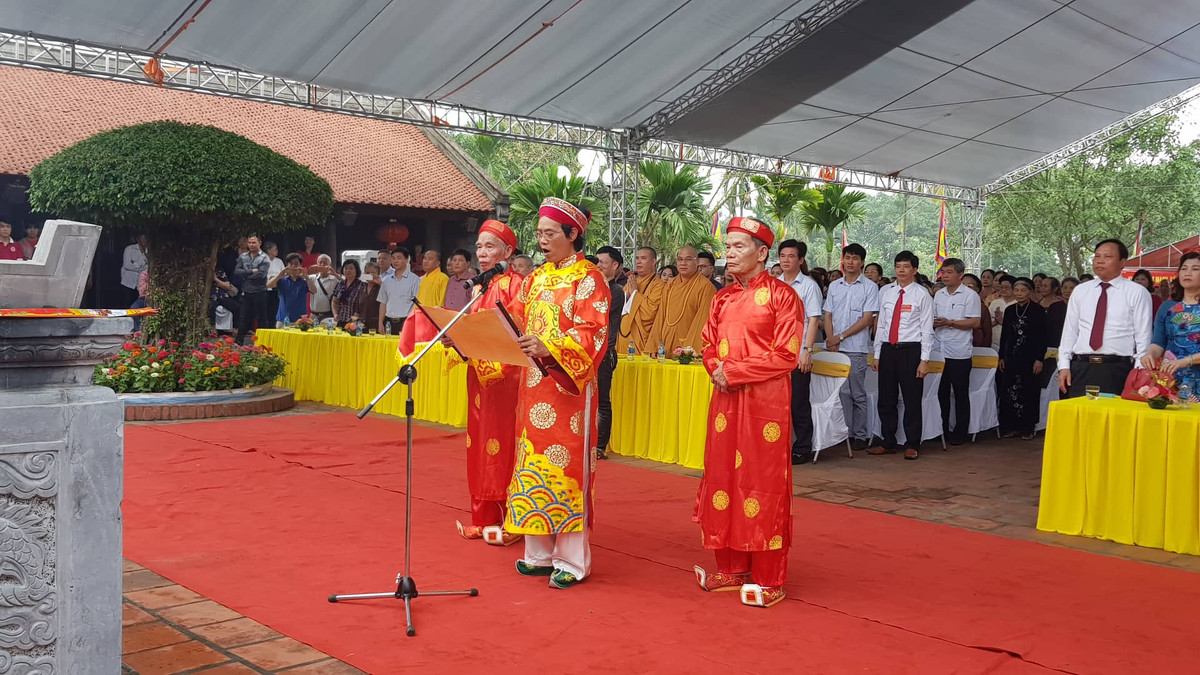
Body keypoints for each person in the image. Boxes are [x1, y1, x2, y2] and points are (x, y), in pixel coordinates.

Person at [693, 216, 799, 609]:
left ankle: (770, 577)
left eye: (739, 246)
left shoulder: (783, 296)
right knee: (723, 478)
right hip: (725, 402)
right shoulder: (721, 298)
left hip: (764, 405)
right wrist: (715, 369)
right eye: (728, 246)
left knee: (761, 483)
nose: (730, 253)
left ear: (762, 252)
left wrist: (734, 372)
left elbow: (786, 355)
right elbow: (707, 342)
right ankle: (732, 567)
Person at [505, 197, 609, 590]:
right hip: (532, 388)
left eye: (550, 233)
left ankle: (571, 561)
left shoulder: (589, 278)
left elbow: (592, 332)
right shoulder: (534, 278)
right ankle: (538, 554)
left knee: (565, 470)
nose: (542, 241)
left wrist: (550, 347)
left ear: (572, 234)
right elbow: (512, 318)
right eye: (539, 233)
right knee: (531, 465)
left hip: (568, 391)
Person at [447, 220, 525, 546]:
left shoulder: (515, 285)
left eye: (489, 246)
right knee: (479, 446)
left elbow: (516, 334)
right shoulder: (479, 286)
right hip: (480, 380)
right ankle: (482, 519)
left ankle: (512, 521)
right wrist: (458, 341)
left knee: (504, 448)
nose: (481, 253)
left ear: (507, 251)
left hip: (506, 380)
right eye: (479, 246)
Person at [1058, 240, 1152, 397]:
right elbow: (1070, 332)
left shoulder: (1137, 292)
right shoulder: (1081, 291)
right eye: (1097, 256)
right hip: (1081, 367)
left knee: (1114, 413)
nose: (1100, 261)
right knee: (1080, 412)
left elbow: (1143, 337)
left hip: (1116, 368)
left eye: (1107, 256)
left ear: (1122, 262)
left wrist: (1139, 372)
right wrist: (1064, 365)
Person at [869, 251, 934, 461]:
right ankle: (887, 441)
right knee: (886, 397)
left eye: (906, 267)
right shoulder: (886, 292)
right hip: (888, 349)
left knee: (911, 399)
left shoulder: (922, 295)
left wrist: (924, 360)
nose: (901, 271)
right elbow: (881, 325)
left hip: (911, 350)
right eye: (898, 266)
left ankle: (912, 443)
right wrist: (877, 354)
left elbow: (927, 329)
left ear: (914, 270)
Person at [823, 243, 880, 450]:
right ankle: (843, 433)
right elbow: (828, 315)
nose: (850, 262)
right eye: (847, 258)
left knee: (857, 394)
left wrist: (840, 337)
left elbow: (867, 319)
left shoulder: (870, 287)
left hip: (856, 348)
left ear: (862, 262)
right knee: (841, 394)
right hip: (835, 348)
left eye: (855, 258)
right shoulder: (834, 286)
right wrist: (831, 339)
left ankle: (860, 434)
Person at [777, 239, 823, 464]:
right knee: (776, 403)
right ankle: (777, 446)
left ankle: (802, 447)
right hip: (775, 353)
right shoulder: (774, 284)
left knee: (798, 403)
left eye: (791, 256)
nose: (786, 260)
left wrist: (807, 350)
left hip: (798, 352)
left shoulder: (808, 286)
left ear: (801, 260)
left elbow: (813, 320)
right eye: (782, 256)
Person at [933, 258, 980, 446]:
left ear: (960, 275)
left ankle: (961, 432)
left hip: (959, 351)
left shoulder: (970, 295)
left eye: (949, 272)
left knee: (960, 394)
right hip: (939, 351)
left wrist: (950, 323)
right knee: (941, 393)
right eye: (943, 272)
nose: (945, 276)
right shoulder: (938, 295)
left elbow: (975, 322)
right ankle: (942, 430)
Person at [1142, 252, 1200, 395]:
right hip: (1169, 379)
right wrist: (1150, 354)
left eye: (1195, 269)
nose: (1187, 273)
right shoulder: (1167, 307)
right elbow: (1158, 343)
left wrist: (1183, 361)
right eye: (1184, 268)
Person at [998, 278, 1047, 440]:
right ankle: (1011, 426)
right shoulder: (1010, 310)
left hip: (1030, 358)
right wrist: (1002, 356)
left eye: (1023, 290)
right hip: (1011, 357)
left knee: (1029, 390)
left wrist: (1039, 359)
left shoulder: (1038, 311)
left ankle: (1028, 427)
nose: (1019, 294)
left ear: (1030, 292)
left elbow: (1042, 337)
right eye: (1016, 290)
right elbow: (1005, 336)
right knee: (1009, 390)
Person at [646, 246, 717, 354]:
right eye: (680, 259)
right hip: (663, 349)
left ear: (697, 262)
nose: (683, 263)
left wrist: (688, 351)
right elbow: (661, 316)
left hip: (686, 350)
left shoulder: (706, 287)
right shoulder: (671, 284)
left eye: (688, 259)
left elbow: (701, 323)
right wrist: (654, 345)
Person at [594, 246, 626, 460]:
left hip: (605, 352)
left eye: (602, 263)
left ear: (615, 265)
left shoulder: (615, 291)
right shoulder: (592, 287)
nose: (598, 266)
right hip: (588, 352)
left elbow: (598, 313)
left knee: (602, 401)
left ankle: (600, 445)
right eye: (596, 262)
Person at [618, 247, 665, 354]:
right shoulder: (632, 281)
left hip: (640, 341)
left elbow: (650, 313)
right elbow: (620, 309)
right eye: (637, 258)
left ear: (653, 261)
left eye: (643, 258)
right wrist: (627, 296)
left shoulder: (659, 285)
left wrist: (634, 294)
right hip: (622, 337)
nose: (638, 262)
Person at [233, 235, 271, 345]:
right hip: (246, 291)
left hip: (260, 291)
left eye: (254, 242)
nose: (251, 245)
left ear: (260, 243)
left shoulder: (264, 257)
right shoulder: (243, 256)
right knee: (243, 317)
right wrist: (251, 271)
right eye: (249, 242)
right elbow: (237, 271)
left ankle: (264, 342)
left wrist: (245, 275)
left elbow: (261, 274)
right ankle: (239, 342)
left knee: (262, 317)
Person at [377, 247, 420, 334]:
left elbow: (416, 304)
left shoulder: (414, 279)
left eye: (399, 258)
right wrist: (380, 322)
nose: (395, 261)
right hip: (388, 321)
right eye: (393, 258)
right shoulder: (386, 281)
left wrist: (411, 321)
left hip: (406, 321)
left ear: (406, 260)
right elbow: (383, 303)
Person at [268, 253, 309, 327]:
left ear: (300, 265)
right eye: (291, 264)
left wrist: (307, 278)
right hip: (283, 319)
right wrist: (280, 275)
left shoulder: (304, 281)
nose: (293, 266)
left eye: (296, 264)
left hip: (300, 320)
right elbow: (268, 285)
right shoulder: (282, 280)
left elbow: (314, 290)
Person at [331, 260, 367, 328]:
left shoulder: (362, 285)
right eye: (346, 268)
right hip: (340, 320)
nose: (348, 271)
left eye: (351, 268)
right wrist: (335, 314)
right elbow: (334, 301)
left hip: (354, 322)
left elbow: (363, 305)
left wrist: (355, 318)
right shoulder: (340, 284)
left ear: (356, 271)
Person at [962, 274, 993, 348]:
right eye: (962, 285)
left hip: (977, 348)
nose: (965, 289)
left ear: (977, 289)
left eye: (969, 286)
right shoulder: (952, 305)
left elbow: (987, 334)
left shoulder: (982, 308)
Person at [306, 254, 340, 322]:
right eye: (320, 262)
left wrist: (335, 274)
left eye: (325, 263)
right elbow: (299, 278)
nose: (322, 265)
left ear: (330, 265)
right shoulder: (312, 278)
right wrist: (308, 271)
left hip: (328, 315)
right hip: (314, 315)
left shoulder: (335, 279)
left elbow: (346, 284)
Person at [120, 234, 149, 306]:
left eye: (145, 238)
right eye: (142, 238)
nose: (143, 240)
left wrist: (134, 263)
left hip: (142, 285)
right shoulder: (129, 249)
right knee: (127, 304)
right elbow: (127, 265)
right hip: (128, 282)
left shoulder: (149, 251)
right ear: (138, 239)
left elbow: (148, 266)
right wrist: (140, 267)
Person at [989, 275, 1015, 349]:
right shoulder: (994, 303)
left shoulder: (1017, 304)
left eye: (1007, 288)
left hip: (1011, 343)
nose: (1003, 290)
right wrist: (996, 321)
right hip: (993, 342)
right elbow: (987, 324)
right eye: (1001, 287)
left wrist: (1001, 321)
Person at [265, 241, 285, 323]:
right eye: (275, 249)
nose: (277, 251)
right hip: (266, 289)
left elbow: (284, 273)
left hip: (277, 288)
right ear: (268, 250)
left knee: (275, 309)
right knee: (266, 310)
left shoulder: (279, 261)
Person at [360, 262, 383, 331]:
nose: (370, 274)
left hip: (376, 324)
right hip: (362, 324)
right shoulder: (362, 288)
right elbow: (358, 307)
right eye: (367, 272)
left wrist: (380, 283)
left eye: (373, 272)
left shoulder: (381, 287)